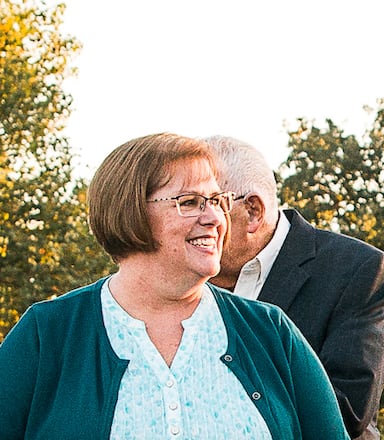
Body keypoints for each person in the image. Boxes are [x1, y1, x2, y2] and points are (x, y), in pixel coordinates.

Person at [0, 133, 350, 439]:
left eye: (217, 201)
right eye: (190, 202)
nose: (214, 218)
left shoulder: (270, 332)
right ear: (130, 211)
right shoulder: (46, 334)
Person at [203, 135, 384, 440]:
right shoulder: (184, 276)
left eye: (210, 204)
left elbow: (347, 410)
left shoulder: (356, 269)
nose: (199, 220)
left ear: (253, 210)